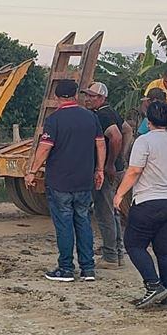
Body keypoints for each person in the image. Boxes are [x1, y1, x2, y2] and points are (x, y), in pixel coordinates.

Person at [25, 79, 106, 282]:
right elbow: (100, 144)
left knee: (64, 225)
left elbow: (44, 148)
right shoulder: (90, 117)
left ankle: (66, 269)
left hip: (60, 181)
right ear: (76, 95)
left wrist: (32, 171)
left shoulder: (54, 120)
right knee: (84, 222)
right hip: (84, 180)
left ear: (57, 97)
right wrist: (100, 170)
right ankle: (88, 269)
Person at [114, 101, 167, 309]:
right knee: (165, 250)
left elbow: (134, 171)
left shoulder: (145, 142)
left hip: (150, 201)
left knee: (134, 244)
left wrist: (119, 194)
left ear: (148, 121)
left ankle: (153, 285)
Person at [79, 81, 131, 268]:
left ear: (102, 98)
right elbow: (127, 130)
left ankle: (110, 256)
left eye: (92, 96)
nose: (87, 99)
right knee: (113, 210)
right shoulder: (112, 112)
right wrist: (121, 157)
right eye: (86, 95)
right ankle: (117, 252)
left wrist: (108, 163)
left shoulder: (102, 114)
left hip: (106, 170)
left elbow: (116, 135)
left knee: (104, 211)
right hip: (116, 168)